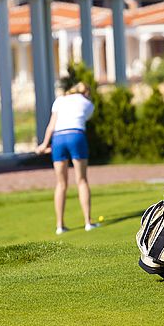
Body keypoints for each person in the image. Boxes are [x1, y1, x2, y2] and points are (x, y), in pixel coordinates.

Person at [35, 82, 99, 235]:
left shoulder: (60, 100)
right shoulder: (88, 103)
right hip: (76, 136)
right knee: (81, 180)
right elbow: (84, 119)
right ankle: (88, 222)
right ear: (87, 92)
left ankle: (59, 226)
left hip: (58, 139)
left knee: (61, 183)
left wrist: (44, 144)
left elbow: (51, 125)